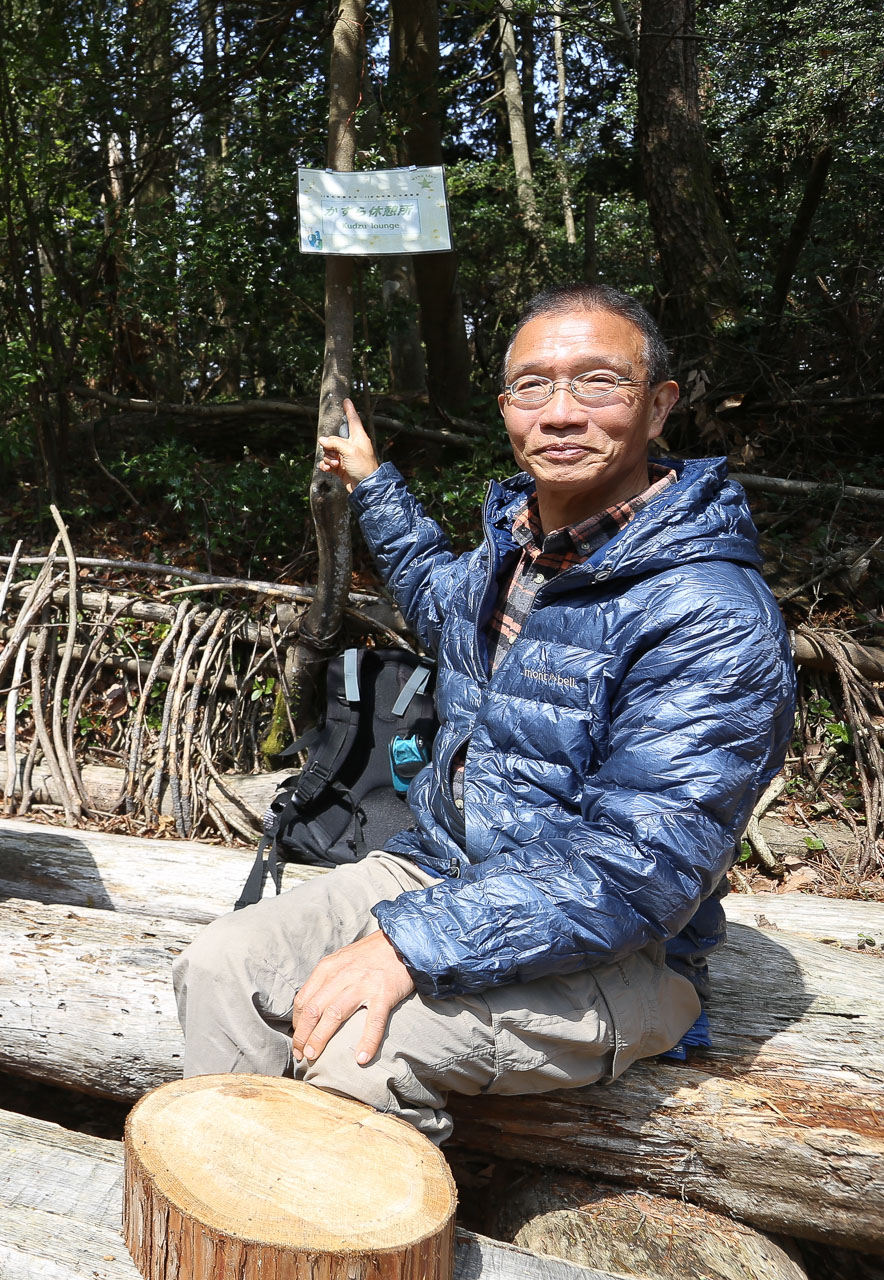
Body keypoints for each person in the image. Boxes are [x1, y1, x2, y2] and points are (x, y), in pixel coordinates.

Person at [173, 284, 796, 1142]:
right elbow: (438, 601)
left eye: (599, 383)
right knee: (218, 967)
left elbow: (640, 866)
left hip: (619, 949)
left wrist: (406, 949)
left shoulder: (708, 613)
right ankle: (233, 1209)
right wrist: (373, 483)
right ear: (507, 408)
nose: (563, 412)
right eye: (533, 387)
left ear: (658, 408)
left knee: (360, 1050)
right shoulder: (520, 551)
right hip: (442, 871)